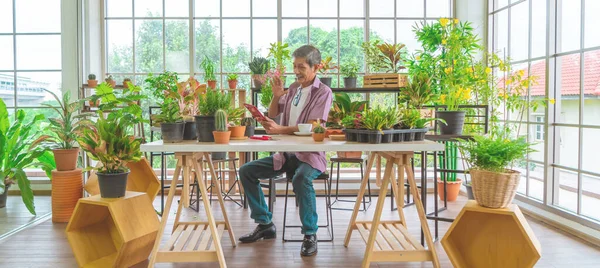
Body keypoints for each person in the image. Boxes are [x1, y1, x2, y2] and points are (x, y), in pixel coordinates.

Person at [238, 45, 333, 257]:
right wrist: (275, 95)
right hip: (286, 154)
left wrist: (281, 129)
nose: (296, 71)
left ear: (316, 67)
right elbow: (274, 111)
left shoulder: (323, 92)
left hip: (310, 157)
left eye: (302, 66)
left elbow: (313, 125)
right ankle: (265, 224)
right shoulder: (294, 88)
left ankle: (310, 234)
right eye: (294, 66)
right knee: (247, 170)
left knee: (301, 179)